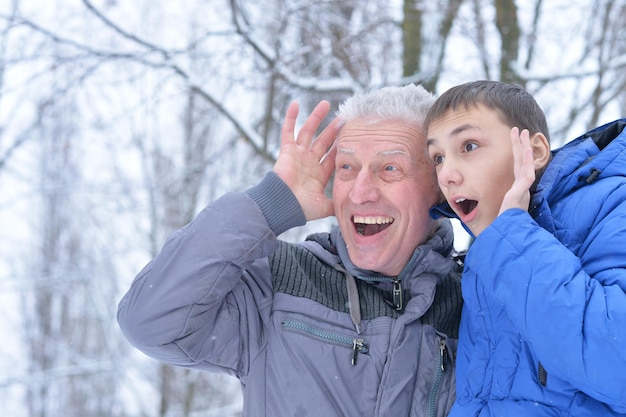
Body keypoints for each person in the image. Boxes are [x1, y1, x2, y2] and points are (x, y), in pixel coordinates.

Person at [117, 84, 464, 417]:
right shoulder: (280, 285)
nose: (360, 192)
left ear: (438, 185)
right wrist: (267, 205)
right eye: (347, 167)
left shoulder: (475, 303)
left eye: (390, 168)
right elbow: (151, 322)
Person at [424, 80, 626, 416]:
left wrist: (513, 238)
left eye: (469, 145)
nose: (446, 174)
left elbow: (616, 360)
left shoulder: (610, 203)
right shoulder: (486, 252)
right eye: (438, 157)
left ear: (534, 152)